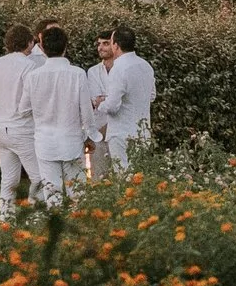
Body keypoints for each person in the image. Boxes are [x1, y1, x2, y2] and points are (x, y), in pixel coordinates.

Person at [0, 22, 43, 220]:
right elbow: (33, 99)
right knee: (39, 177)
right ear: (29, 43)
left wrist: (2, 101)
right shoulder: (29, 66)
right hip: (22, 129)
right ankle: (36, 217)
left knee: (9, 180)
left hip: (0, 128)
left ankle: (6, 220)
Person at [21, 24, 92, 203]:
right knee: (78, 193)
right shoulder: (78, 74)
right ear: (65, 47)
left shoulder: (33, 76)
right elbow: (86, 111)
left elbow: (23, 109)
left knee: (52, 192)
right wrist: (90, 135)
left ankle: (55, 219)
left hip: (45, 142)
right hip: (72, 140)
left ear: (42, 47)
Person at [90, 23, 156, 176]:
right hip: (143, 131)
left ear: (116, 45)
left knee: (123, 176)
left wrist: (100, 103)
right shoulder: (145, 65)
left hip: (121, 134)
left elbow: (112, 106)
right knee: (140, 175)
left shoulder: (119, 68)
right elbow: (152, 96)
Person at [83, 33, 115, 178]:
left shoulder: (124, 69)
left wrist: (104, 99)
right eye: (99, 44)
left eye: (105, 43)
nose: (100, 47)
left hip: (119, 129)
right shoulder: (93, 71)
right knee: (98, 178)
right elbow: (94, 100)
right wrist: (109, 99)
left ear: (115, 45)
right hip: (99, 132)